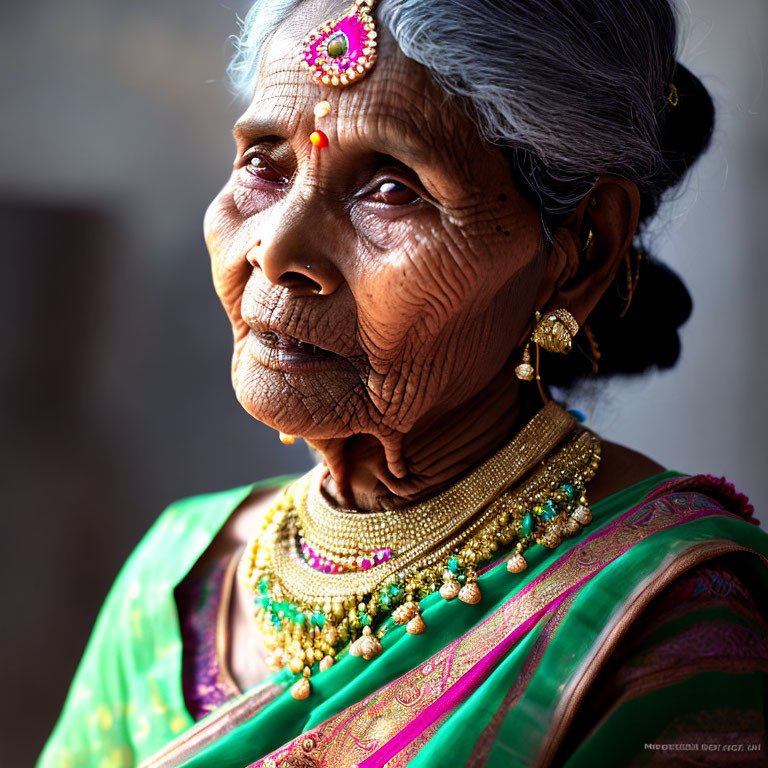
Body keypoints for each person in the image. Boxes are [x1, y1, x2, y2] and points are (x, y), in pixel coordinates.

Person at [38, 1, 768, 766]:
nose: (277, 247)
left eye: (392, 189)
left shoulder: (659, 617)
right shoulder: (180, 581)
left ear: (581, 252)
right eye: (263, 163)